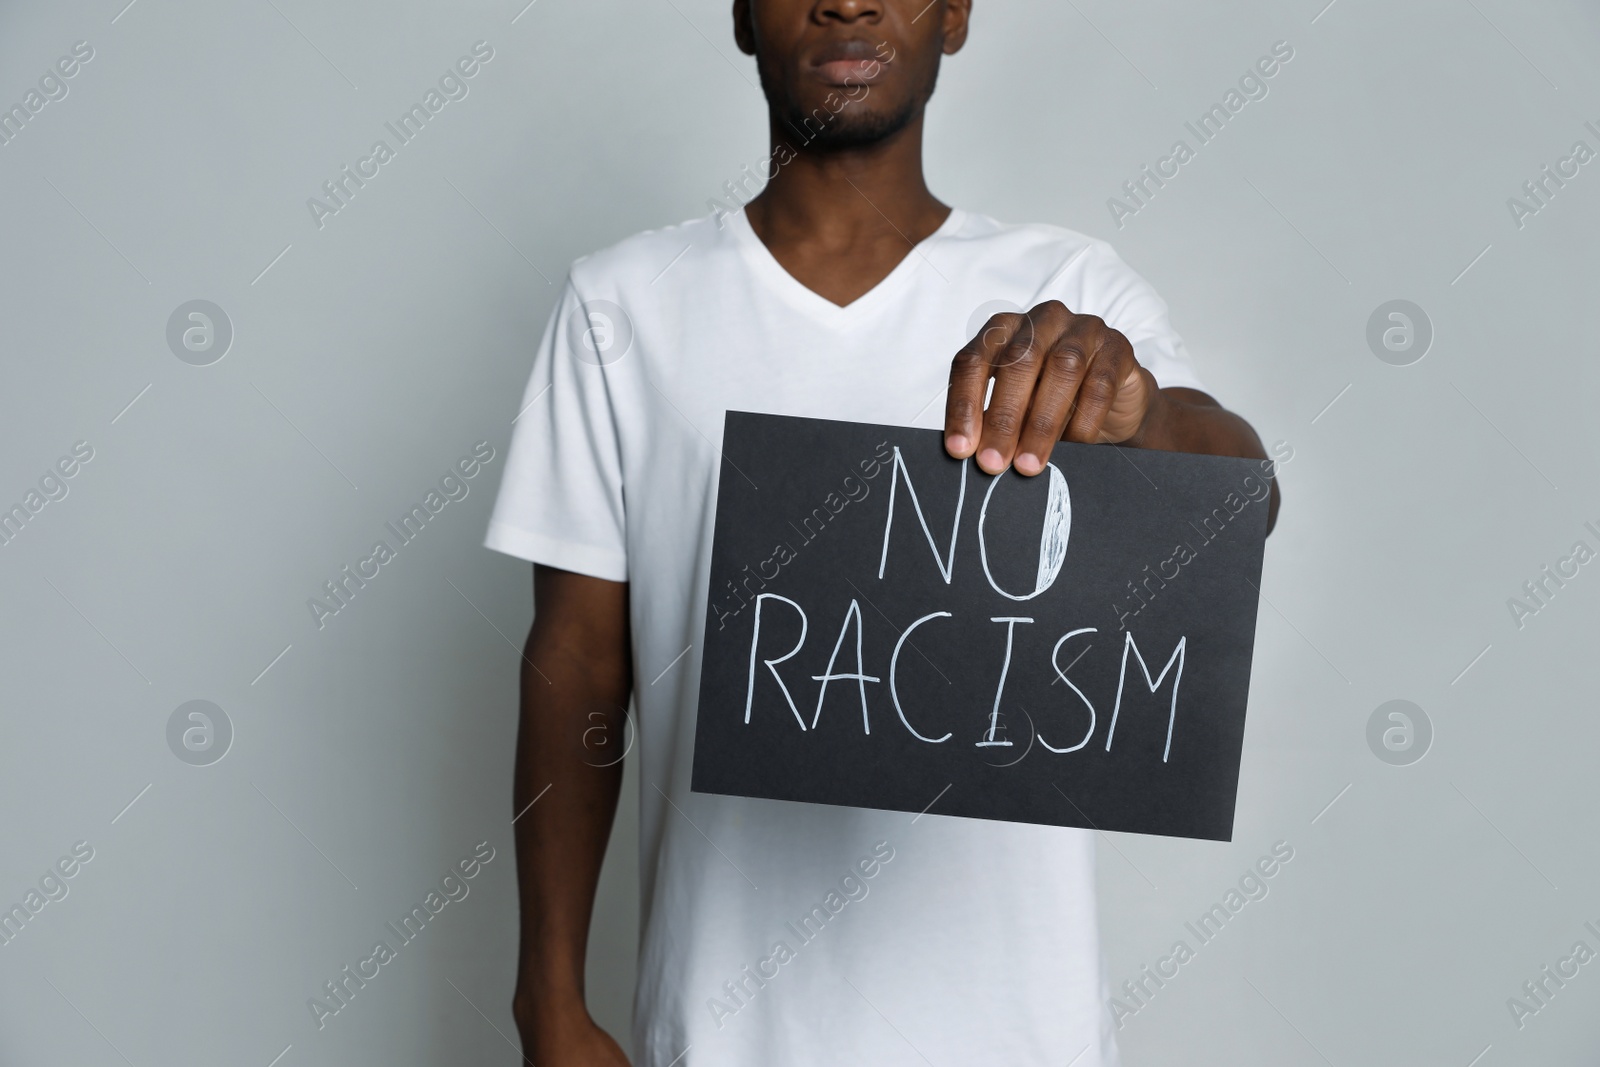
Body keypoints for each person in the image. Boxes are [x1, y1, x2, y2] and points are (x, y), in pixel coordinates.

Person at [485, 1, 1279, 1063]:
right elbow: (578, 661)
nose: (848, 0)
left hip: (1017, 1031)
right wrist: (549, 998)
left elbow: (1244, 496)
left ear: (953, 16)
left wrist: (1142, 409)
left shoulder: (1068, 291)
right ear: (740, 16)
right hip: (726, 1026)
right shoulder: (620, 306)